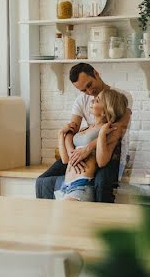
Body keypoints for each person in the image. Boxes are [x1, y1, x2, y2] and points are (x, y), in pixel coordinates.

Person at [35, 63, 133, 202]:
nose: (88, 91)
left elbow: (115, 130)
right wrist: (71, 152)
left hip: (110, 153)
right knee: (42, 180)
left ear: (96, 73)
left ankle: (99, 217)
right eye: (83, 90)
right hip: (82, 149)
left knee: (101, 183)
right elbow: (71, 130)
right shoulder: (82, 101)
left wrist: (88, 148)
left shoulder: (117, 98)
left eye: (89, 84)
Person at [55, 89, 128, 201]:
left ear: (105, 111)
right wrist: (61, 134)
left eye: (97, 100)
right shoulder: (85, 129)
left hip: (81, 186)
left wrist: (102, 134)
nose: (92, 101)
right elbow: (65, 160)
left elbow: (101, 161)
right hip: (65, 187)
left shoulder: (107, 130)